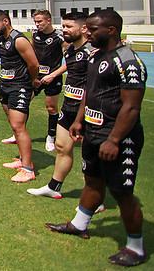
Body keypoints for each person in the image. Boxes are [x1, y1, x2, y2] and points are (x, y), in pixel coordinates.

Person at [46, 10, 148, 267]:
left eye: (93, 30)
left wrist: (114, 140)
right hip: (92, 131)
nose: (87, 33)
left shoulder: (128, 61)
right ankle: (79, 224)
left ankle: (136, 247)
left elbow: (131, 108)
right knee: (92, 181)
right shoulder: (96, 55)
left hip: (117, 137)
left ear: (111, 30)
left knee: (122, 193)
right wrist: (80, 119)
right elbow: (89, 93)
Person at [29, 12, 92, 199]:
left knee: (90, 156)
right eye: (63, 26)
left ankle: (95, 197)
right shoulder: (72, 49)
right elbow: (69, 64)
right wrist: (55, 74)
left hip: (87, 110)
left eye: (69, 26)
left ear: (83, 28)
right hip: (69, 106)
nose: (64, 30)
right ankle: (54, 186)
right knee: (62, 146)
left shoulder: (93, 52)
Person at [0, 9, 40, 183]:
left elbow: (33, 64)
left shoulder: (19, 40)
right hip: (4, 86)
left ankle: (28, 169)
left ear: (6, 21)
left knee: (19, 126)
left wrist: (31, 81)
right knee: (13, 124)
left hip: (20, 87)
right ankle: (22, 159)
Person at [32, 9, 66, 152]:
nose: (37, 24)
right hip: (36, 77)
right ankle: (17, 133)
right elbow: (31, 55)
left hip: (53, 78)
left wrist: (52, 75)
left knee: (51, 108)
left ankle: (51, 136)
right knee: (21, 104)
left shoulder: (60, 37)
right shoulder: (35, 35)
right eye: (35, 22)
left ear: (48, 20)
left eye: (39, 21)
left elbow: (70, 62)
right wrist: (33, 76)